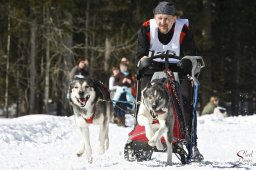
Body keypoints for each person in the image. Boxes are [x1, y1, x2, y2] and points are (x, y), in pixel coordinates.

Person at [136, 1, 203, 161]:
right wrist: (143, 60)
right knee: (144, 99)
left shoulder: (184, 31)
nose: (162, 22)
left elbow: (190, 52)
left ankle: (188, 138)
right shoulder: (146, 29)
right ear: (154, 17)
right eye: (159, 18)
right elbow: (140, 53)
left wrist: (186, 61)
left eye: (167, 18)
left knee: (185, 99)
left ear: (174, 19)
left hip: (179, 68)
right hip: (152, 67)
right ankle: (141, 132)